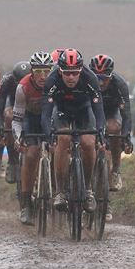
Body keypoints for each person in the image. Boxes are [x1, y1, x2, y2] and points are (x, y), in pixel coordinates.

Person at [41, 49, 105, 211]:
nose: (71, 77)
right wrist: (49, 134)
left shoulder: (90, 78)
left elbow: (99, 111)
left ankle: (88, 189)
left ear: (81, 70)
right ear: (60, 70)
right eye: (67, 73)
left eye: (75, 73)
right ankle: (61, 191)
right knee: (62, 139)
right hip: (61, 111)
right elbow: (46, 113)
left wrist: (100, 131)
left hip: (84, 110)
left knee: (89, 142)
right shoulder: (52, 80)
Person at [12, 52, 51, 225]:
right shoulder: (23, 86)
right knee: (31, 154)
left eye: (47, 71)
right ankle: (26, 204)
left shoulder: (55, 83)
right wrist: (18, 138)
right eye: (39, 71)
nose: (43, 76)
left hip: (49, 119)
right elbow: (17, 119)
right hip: (30, 120)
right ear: (32, 71)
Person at [89, 54, 133, 199]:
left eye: (105, 78)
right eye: (97, 78)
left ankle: (115, 170)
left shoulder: (119, 84)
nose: (101, 83)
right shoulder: (86, 82)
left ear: (111, 75)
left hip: (110, 114)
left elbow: (126, 115)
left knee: (115, 129)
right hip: (90, 113)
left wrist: (126, 138)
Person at [0, 61, 31, 184]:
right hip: (14, 106)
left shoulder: (36, 79)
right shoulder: (7, 81)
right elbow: (0, 105)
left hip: (31, 105)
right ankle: (12, 160)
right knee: (9, 116)